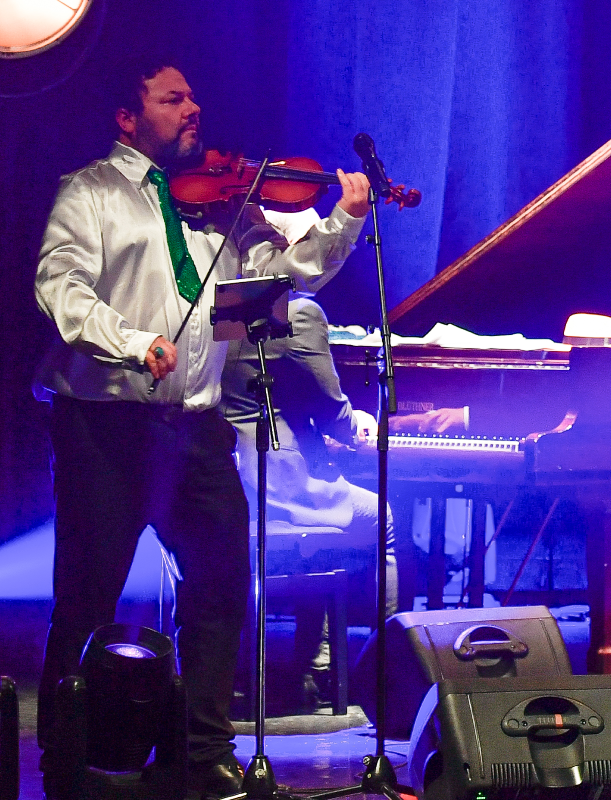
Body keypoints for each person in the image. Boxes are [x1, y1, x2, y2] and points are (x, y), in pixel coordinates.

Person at [32, 61, 369, 797]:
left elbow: (285, 274)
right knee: (87, 600)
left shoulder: (222, 207)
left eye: (193, 96)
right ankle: (65, 764)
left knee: (221, 586)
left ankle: (200, 754)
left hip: (195, 427)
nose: (194, 108)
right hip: (106, 427)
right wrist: (129, 342)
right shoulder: (88, 193)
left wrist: (344, 219)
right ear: (128, 116)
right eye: (172, 98)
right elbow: (60, 286)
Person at [220, 294, 383, 712]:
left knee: (318, 544)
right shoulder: (299, 313)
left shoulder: (215, 302)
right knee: (383, 518)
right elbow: (331, 408)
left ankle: (313, 668)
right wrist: (357, 426)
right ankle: (382, 669)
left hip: (223, 478)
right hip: (278, 481)